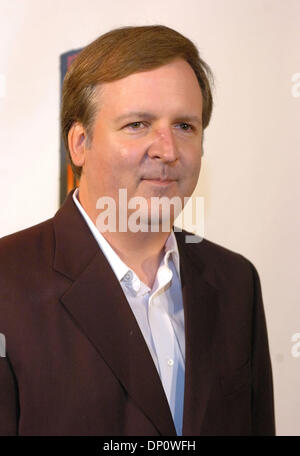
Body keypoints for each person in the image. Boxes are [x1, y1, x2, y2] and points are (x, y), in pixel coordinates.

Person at [0, 25, 275, 436]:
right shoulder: (7, 280)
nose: (167, 149)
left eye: (185, 126)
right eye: (138, 124)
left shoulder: (236, 283)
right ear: (79, 143)